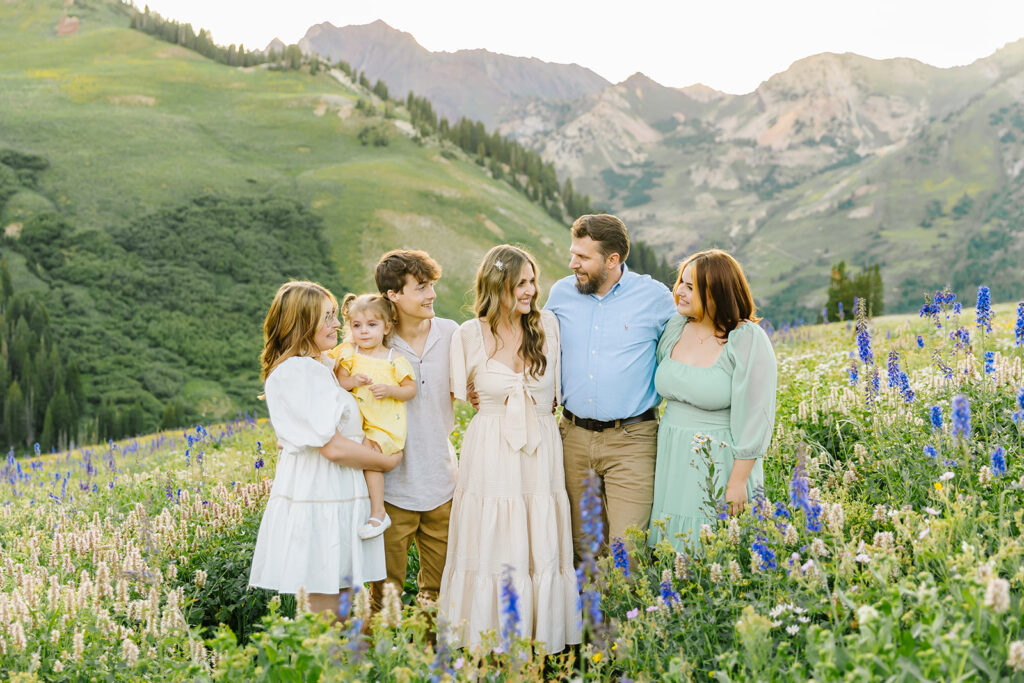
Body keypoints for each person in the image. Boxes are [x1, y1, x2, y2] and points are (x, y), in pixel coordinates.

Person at [440, 244, 580, 651]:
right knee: (494, 537)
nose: (531, 291)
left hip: (541, 447)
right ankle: (488, 641)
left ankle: (541, 640)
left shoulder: (548, 326)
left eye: (533, 281)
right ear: (496, 286)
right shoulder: (466, 336)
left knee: (539, 538)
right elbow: (455, 396)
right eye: (521, 283)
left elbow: (560, 389)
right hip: (491, 449)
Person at [248, 281, 401, 618]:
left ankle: (349, 667)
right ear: (303, 324)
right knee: (328, 615)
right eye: (327, 317)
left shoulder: (318, 366)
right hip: (322, 493)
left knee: (346, 609)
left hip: (339, 491)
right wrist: (385, 462)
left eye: (334, 315)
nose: (336, 324)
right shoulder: (298, 371)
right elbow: (330, 447)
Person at [544, 214, 676, 561]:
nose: (573, 264)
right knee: (582, 549)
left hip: (633, 439)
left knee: (627, 551)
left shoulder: (655, 298)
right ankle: (590, 617)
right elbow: (533, 346)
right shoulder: (560, 293)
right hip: (573, 437)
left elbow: (689, 341)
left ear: (613, 260)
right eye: (573, 254)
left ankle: (626, 615)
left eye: (583, 258)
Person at [648, 249, 777, 551]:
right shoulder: (675, 329)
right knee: (671, 552)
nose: (679, 290)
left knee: (715, 550)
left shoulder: (746, 339)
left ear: (717, 292)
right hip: (673, 455)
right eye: (681, 281)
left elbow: (758, 416)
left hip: (719, 461)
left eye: (691, 287)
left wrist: (737, 483)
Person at [370, 250, 459, 610]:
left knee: (437, 595)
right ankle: (375, 665)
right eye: (421, 287)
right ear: (394, 295)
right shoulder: (377, 343)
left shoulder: (452, 333)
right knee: (382, 595)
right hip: (394, 491)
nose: (431, 294)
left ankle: (429, 663)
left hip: (444, 485)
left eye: (432, 285)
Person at [330, 293, 417, 540]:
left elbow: (410, 389)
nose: (364, 331)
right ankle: (359, 510)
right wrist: (352, 381)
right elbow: (337, 381)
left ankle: (378, 512)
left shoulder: (393, 359)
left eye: (371, 325)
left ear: (387, 327)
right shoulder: (349, 352)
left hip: (383, 423)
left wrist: (391, 390)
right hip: (357, 421)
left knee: (371, 461)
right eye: (357, 326)